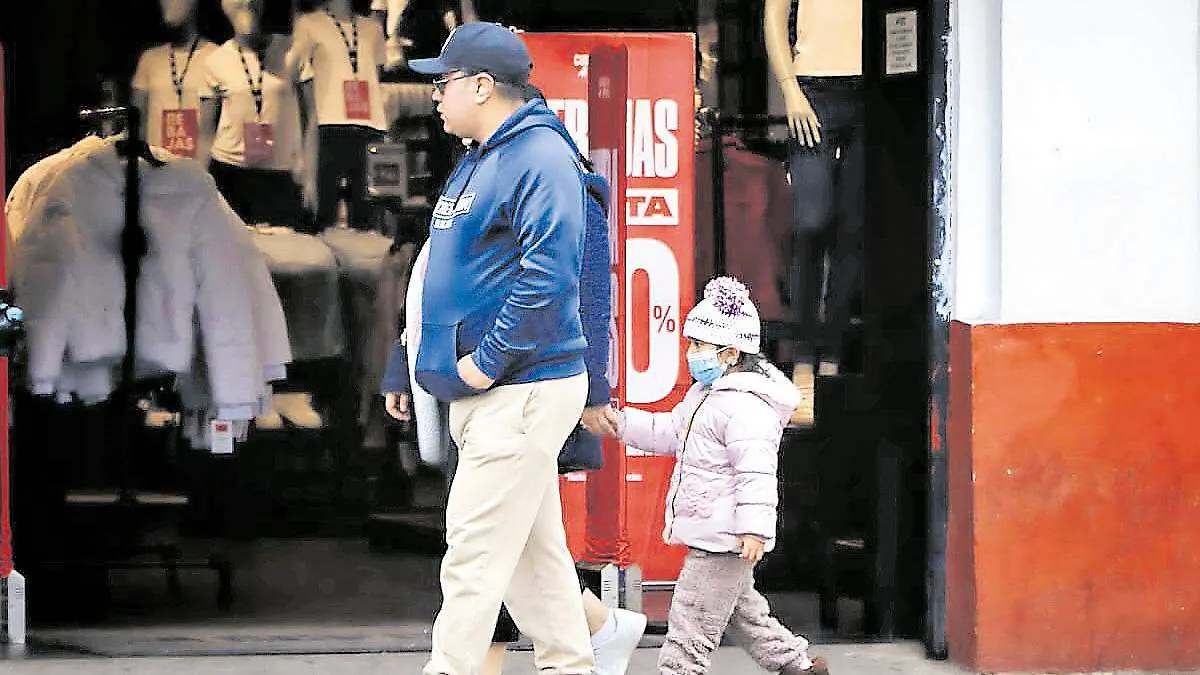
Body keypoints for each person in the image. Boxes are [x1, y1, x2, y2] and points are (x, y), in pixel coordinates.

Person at [381, 74, 646, 675]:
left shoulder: (545, 164)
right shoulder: (479, 163)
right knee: (533, 557)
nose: (433, 97)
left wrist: (486, 364)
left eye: (442, 83)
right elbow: (434, 279)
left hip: (514, 387)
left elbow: (573, 286)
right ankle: (577, 660)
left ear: (482, 87)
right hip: (481, 387)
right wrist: (410, 362)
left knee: (473, 555)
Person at [594, 276, 831, 675]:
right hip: (718, 534)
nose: (690, 353)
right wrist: (619, 424)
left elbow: (755, 473)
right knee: (745, 616)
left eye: (698, 345)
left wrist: (754, 529)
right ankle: (798, 666)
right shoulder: (706, 397)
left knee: (690, 625)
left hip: (722, 539)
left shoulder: (745, 407)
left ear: (730, 352)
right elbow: (669, 432)